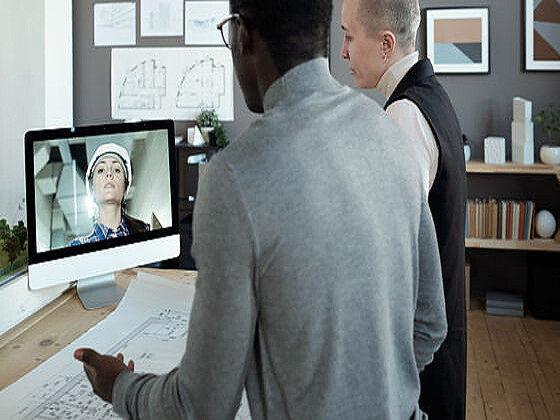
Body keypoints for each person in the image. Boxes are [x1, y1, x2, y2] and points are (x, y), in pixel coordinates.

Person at [74, 0, 447, 418]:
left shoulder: (235, 176)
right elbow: (430, 324)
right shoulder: (390, 130)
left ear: (242, 35)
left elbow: (201, 406)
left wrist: (119, 386)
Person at [340, 0, 467, 418]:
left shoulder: (405, 116)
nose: (342, 51)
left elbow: (392, 254)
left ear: (386, 44)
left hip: (421, 365)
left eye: (349, 36)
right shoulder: (430, 96)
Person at [69, 143, 149, 246]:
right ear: (92, 189)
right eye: (101, 170)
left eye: (116, 170)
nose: (109, 174)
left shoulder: (146, 230)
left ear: (125, 188)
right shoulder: (78, 246)